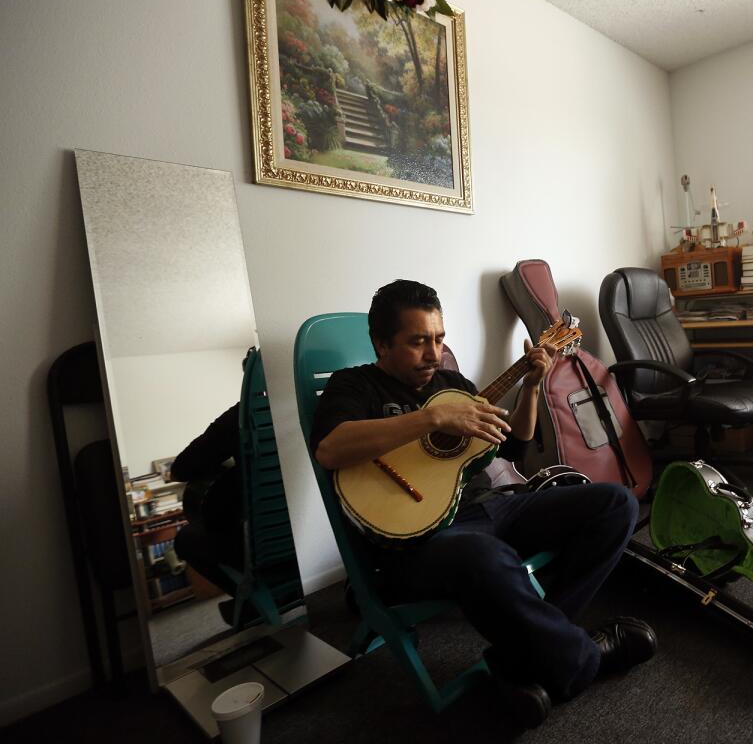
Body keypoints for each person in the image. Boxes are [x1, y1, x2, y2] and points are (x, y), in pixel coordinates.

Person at [310, 279, 656, 725]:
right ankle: (580, 659)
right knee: (484, 556)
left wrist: (532, 385)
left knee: (616, 505)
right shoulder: (355, 387)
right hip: (421, 539)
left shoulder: (454, 384)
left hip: (492, 507)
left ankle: (527, 658)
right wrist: (430, 417)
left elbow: (514, 446)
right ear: (381, 343)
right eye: (417, 342)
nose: (433, 354)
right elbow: (330, 448)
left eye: (438, 339)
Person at [171, 403, 249, 625]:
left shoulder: (242, 414)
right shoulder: (317, 398)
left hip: (264, 544)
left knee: (186, 539)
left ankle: (253, 596)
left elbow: (181, 469)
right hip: (313, 535)